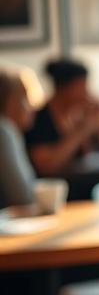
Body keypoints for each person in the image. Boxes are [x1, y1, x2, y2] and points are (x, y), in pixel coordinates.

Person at [25, 58, 99, 177]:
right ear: (63, 88)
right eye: (81, 86)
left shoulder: (83, 115)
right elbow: (46, 167)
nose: (87, 92)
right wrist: (81, 132)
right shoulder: (39, 119)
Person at [0, 67, 38, 208]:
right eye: (25, 98)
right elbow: (23, 196)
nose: (31, 107)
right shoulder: (4, 131)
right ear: (9, 102)